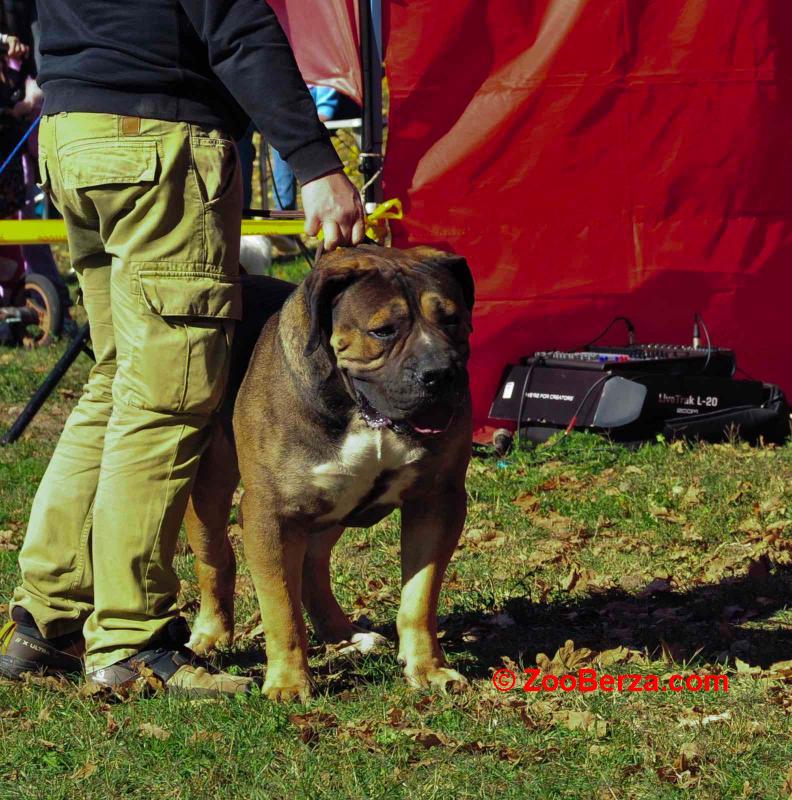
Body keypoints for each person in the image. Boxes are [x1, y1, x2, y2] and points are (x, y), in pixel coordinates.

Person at [0, 0, 365, 698]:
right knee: (167, 397)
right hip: (157, 140)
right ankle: (131, 642)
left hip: (72, 130)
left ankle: (46, 621)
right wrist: (316, 162)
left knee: (116, 384)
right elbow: (232, 21)